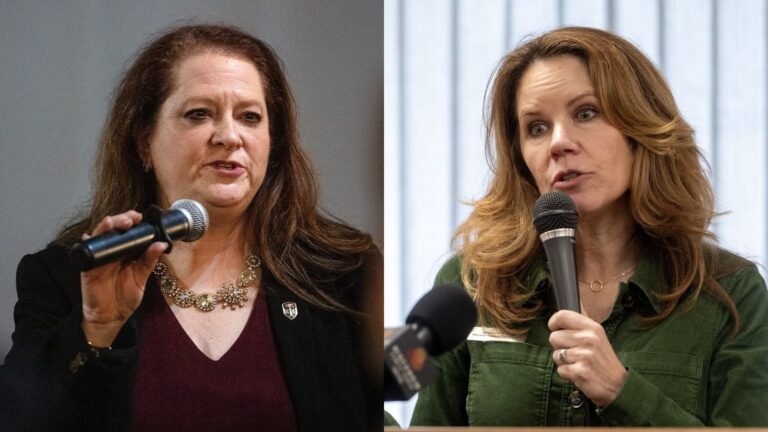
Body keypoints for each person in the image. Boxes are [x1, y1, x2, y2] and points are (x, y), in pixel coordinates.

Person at [0, 24, 382, 431]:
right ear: (143, 141)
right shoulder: (69, 275)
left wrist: (427, 349)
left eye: (250, 117)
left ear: (273, 143)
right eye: (199, 114)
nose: (229, 136)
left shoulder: (344, 272)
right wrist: (97, 329)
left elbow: (413, 382)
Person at [410, 26, 768, 426]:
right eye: (537, 128)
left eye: (585, 113)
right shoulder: (469, 283)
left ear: (640, 129)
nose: (558, 143)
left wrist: (620, 390)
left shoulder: (732, 294)